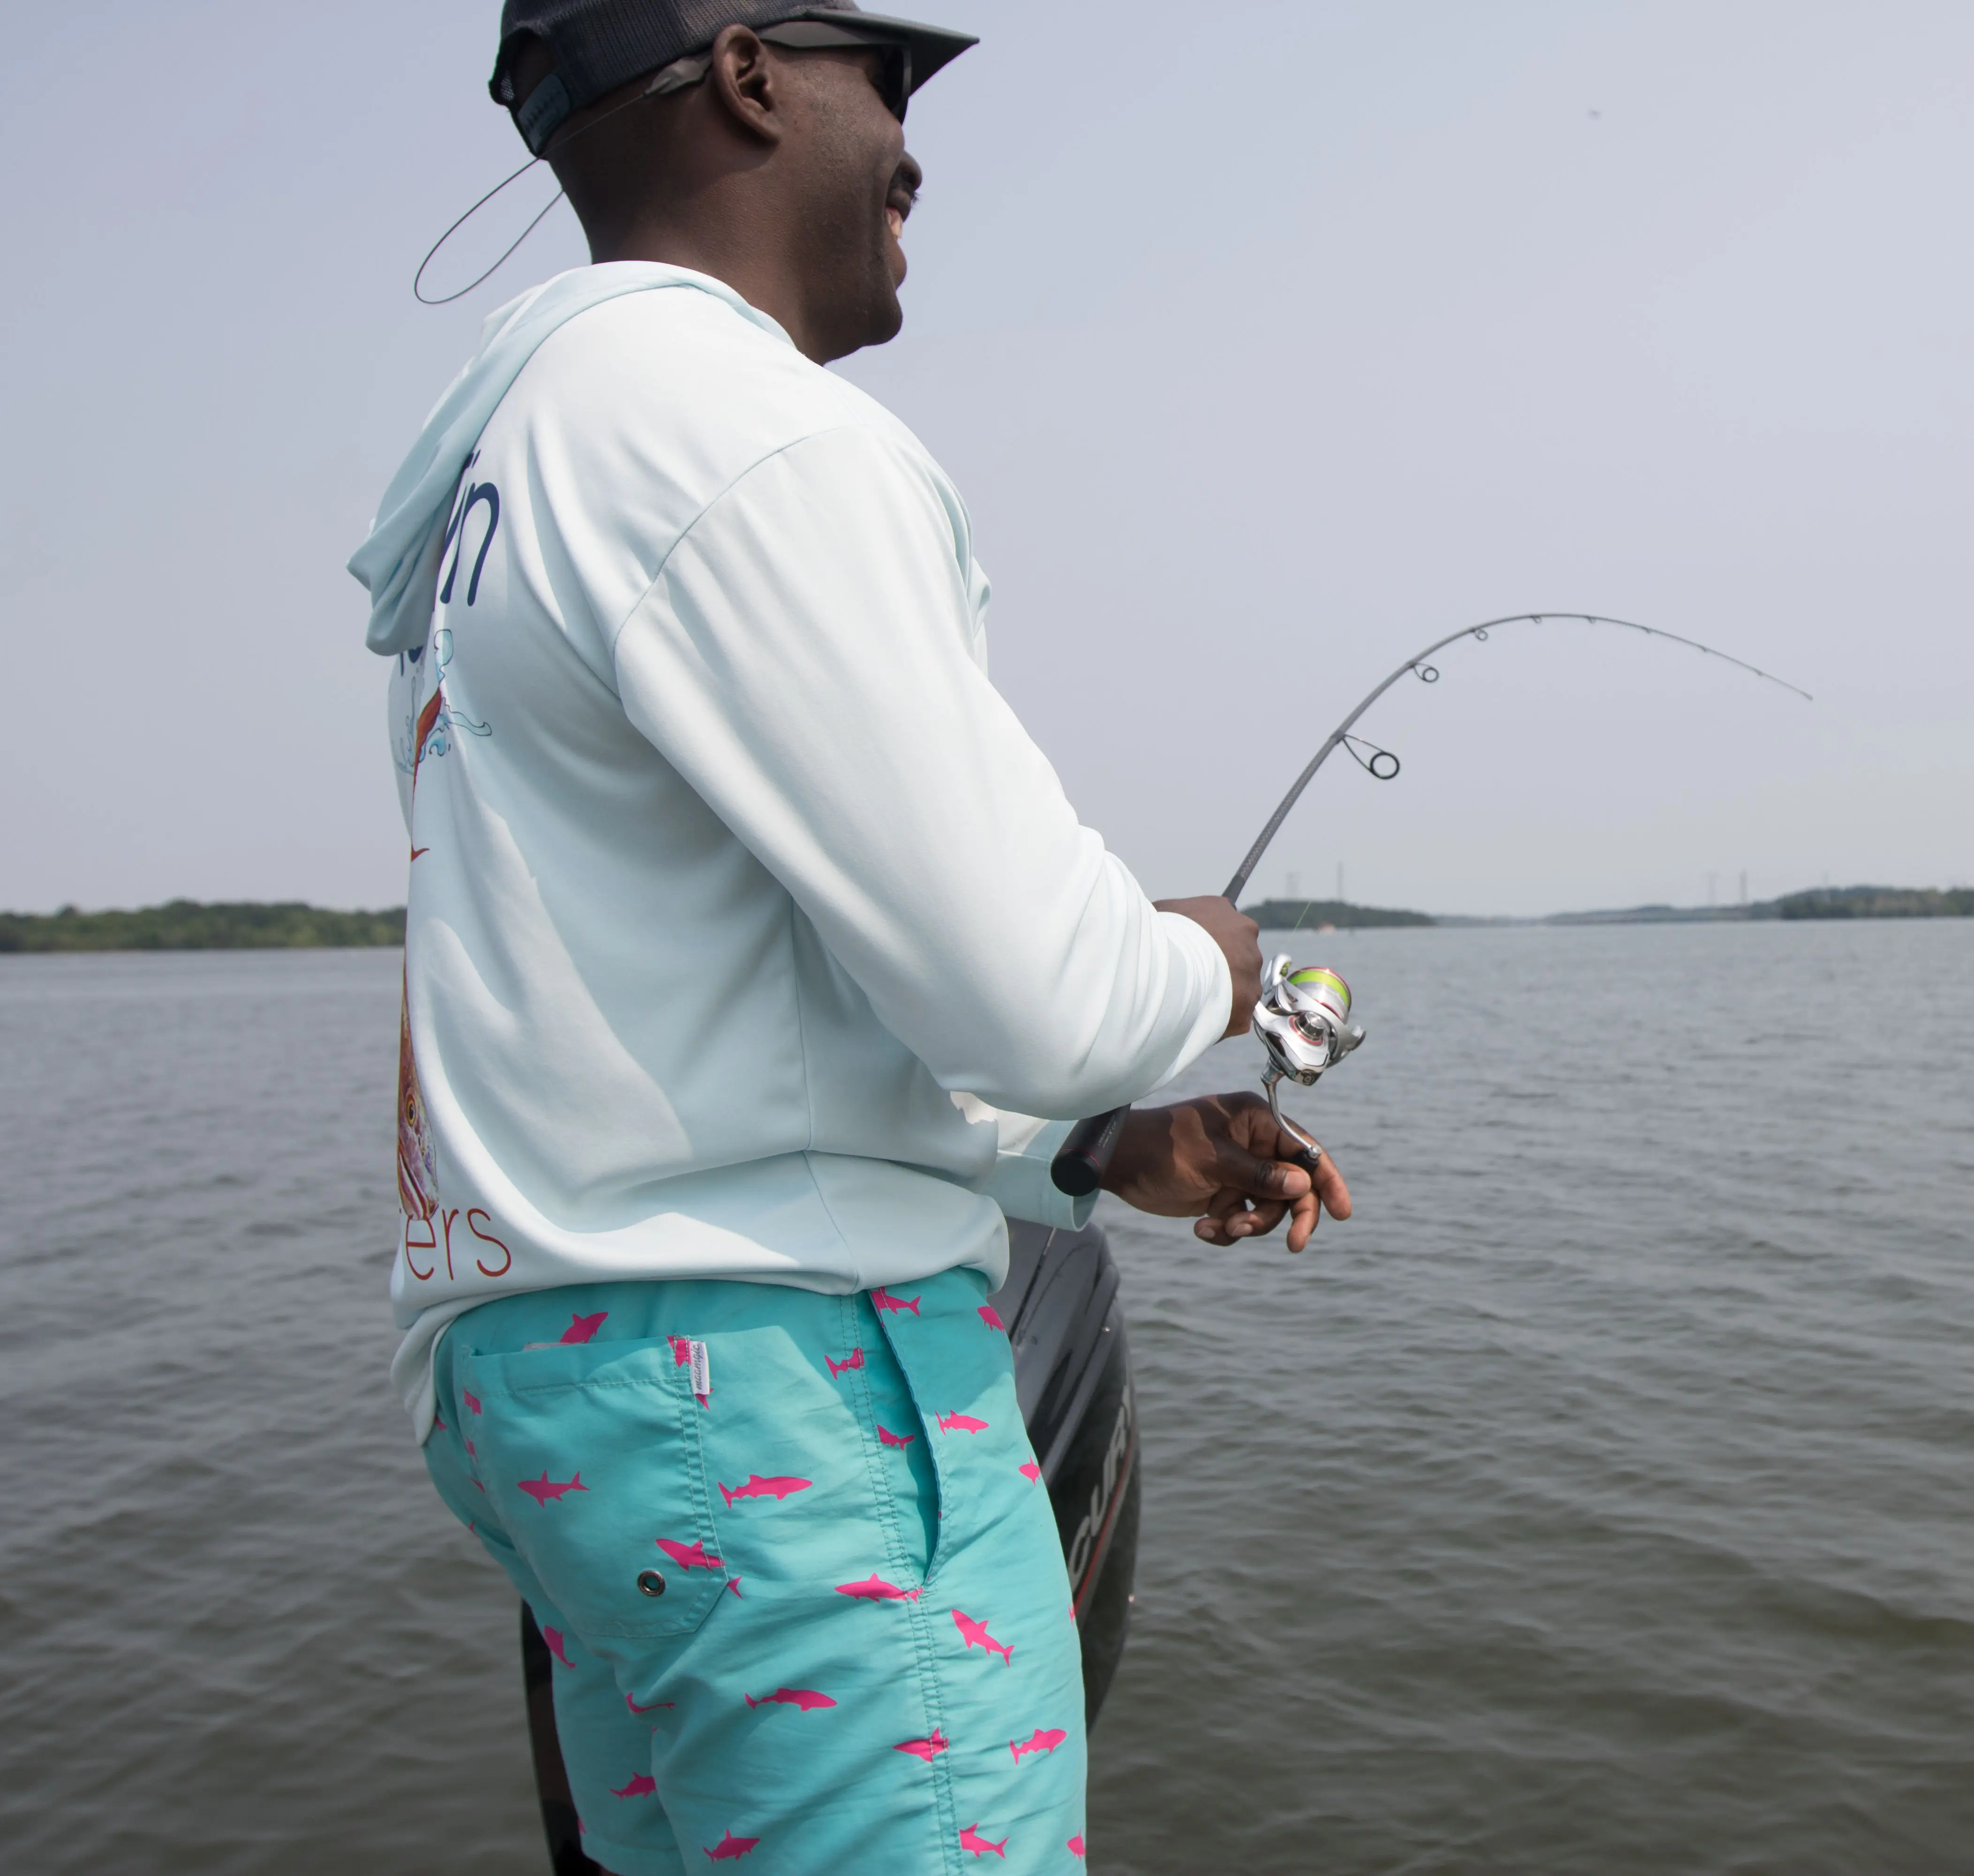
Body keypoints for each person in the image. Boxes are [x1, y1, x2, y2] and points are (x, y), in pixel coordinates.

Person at [345, 6, 1353, 1870]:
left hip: (557, 1404)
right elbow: (1044, 992)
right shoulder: (740, 433)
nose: (911, 138)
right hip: (780, 1418)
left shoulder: (497, 489)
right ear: (745, 73)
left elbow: (706, 1008)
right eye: (885, 76)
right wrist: (1208, 961)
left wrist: (1089, 1149)